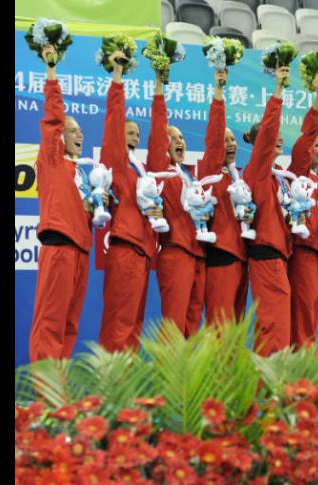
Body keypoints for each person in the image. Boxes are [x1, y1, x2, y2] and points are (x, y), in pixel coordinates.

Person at [29, 45, 103, 361]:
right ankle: (46, 392)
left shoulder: (82, 172)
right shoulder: (51, 159)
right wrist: (51, 70)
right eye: (72, 131)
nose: (79, 135)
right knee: (50, 321)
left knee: (69, 324)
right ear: (59, 137)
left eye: (81, 131)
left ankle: (59, 391)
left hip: (80, 251)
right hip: (59, 247)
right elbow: (53, 119)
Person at [98, 50, 163, 352]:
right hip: (125, 247)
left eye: (138, 133)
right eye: (130, 131)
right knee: (119, 323)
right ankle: (111, 392)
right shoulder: (115, 161)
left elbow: (159, 141)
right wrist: (117, 77)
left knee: (134, 326)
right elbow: (113, 121)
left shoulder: (141, 169)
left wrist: (160, 87)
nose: (135, 136)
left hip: (142, 251)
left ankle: (127, 393)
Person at [147, 62, 207, 338]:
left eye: (182, 137)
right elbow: (158, 128)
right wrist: (160, 85)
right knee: (174, 326)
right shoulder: (160, 170)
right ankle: (169, 380)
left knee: (192, 326)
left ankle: (189, 381)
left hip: (198, 255)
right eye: (173, 138)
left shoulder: (191, 177)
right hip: (175, 253)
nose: (179, 141)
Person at [243, 66, 293, 356]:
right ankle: (271, 390)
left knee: (276, 323)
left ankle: (273, 386)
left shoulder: (277, 176)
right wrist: (278, 90)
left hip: (278, 256)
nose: (277, 139)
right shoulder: (258, 170)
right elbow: (269, 129)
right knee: (273, 325)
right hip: (266, 255)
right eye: (269, 137)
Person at [199, 69, 250, 328]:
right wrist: (219, 92)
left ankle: (232, 371)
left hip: (242, 258)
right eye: (225, 139)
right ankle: (218, 371)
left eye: (233, 140)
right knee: (219, 329)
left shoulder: (239, 177)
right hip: (221, 255)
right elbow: (214, 132)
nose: (230, 144)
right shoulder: (211, 171)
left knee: (236, 332)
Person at [287, 75, 318, 347]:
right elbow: (305, 142)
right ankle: (300, 373)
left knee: (312, 316)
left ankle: (305, 372)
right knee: (303, 317)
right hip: (304, 253)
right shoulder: (300, 173)